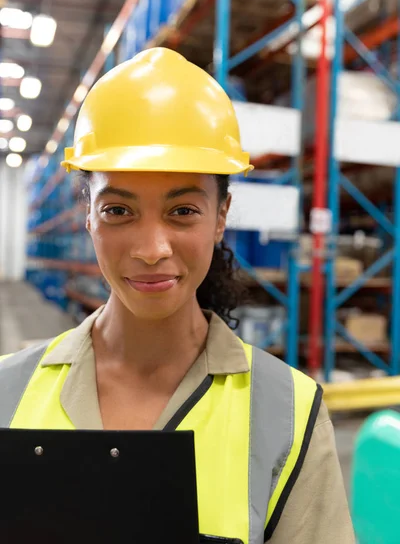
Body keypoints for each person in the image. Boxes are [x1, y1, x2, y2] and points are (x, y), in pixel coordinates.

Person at [0, 48, 354, 543]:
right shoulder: (7, 392)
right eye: (118, 211)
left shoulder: (289, 413)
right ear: (88, 215)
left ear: (221, 215)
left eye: (183, 210)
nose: (151, 249)